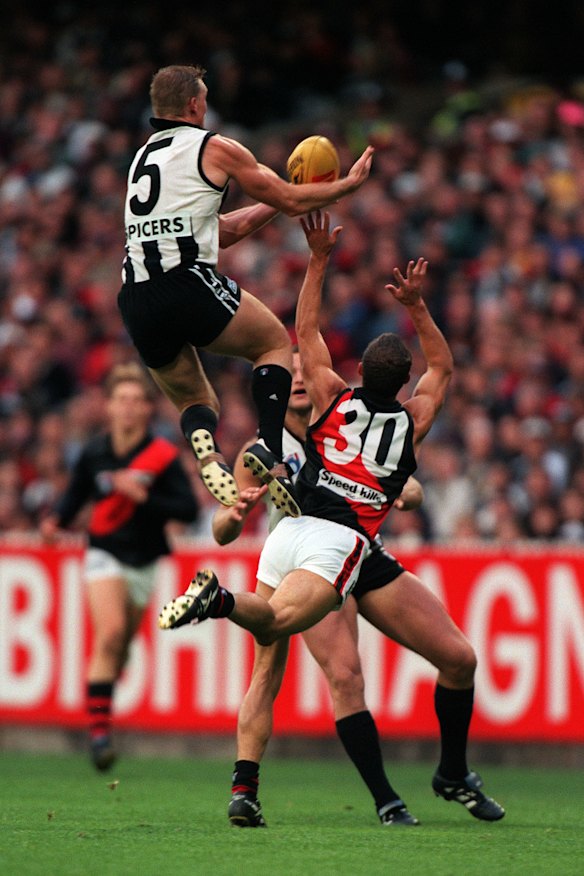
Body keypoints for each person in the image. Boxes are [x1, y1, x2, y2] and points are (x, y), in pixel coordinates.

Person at [158, 211, 504, 824]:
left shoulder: (330, 402)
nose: (295, 379)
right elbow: (438, 371)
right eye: (287, 377)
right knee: (335, 671)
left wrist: (317, 258)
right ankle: (375, 800)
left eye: (298, 375)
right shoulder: (298, 441)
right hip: (318, 546)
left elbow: (304, 333)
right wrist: (237, 512)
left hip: (351, 552)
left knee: (460, 658)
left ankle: (452, 772)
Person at [117, 63, 374, 520]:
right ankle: (270, 450)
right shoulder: (214, 147)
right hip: (185, 282)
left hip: (137, 297)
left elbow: (225, 230)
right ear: (195, 104)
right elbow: (293, 202)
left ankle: (209, 452)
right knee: (274, 343)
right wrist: (345, 185)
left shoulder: (141, 161)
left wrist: (280, 200)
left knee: (198, 401)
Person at [41, 362, 199, 770]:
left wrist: (145, 498)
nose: (128, 408)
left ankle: (107, 687)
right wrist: (56, 522)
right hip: (103, 550)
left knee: (121, 642)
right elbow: (74, 496)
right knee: (109, 634)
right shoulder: (94, 452)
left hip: (145, 560)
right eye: (121, 400)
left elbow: (187, 507)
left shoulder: (162, 456)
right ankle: (98, 735)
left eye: (136, 400)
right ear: (109, 407)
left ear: (148, 408)